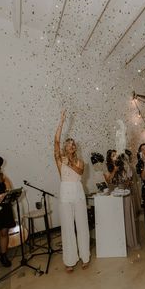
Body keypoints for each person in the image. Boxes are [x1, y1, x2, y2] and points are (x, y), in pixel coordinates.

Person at [54, 110, 90, 272]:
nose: (71, 144)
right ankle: (70, 260)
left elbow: (80, 172)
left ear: (74, 148)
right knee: (68, 227)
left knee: (82, 225)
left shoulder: (80, 162)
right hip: (65, 193)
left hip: (77, 192)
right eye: (68, 143)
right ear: (65, 147)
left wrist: (69, 162)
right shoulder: (59, 159)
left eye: (73, 143)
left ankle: (85, 256)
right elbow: (55, 142)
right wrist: (61, 122)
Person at [104, 149, 140, 249]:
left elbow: (129, 180)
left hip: (125, 194)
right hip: (114, 195)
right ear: (109, 158)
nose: (116, 157)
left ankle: (130, 242)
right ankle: (119, 243)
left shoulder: (123, 166)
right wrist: (114, 170)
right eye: (113, 155)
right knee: (117, 218)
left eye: (116, 155)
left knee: (127, 217)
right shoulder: (107, 167)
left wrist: (128, 182)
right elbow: (108, 181)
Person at [0, 156, 15, 267]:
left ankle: (3, 255)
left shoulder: (2, 177)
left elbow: (9, 190)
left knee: (4, 232)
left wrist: (4, 195)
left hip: (4, 208)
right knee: (0, 232)